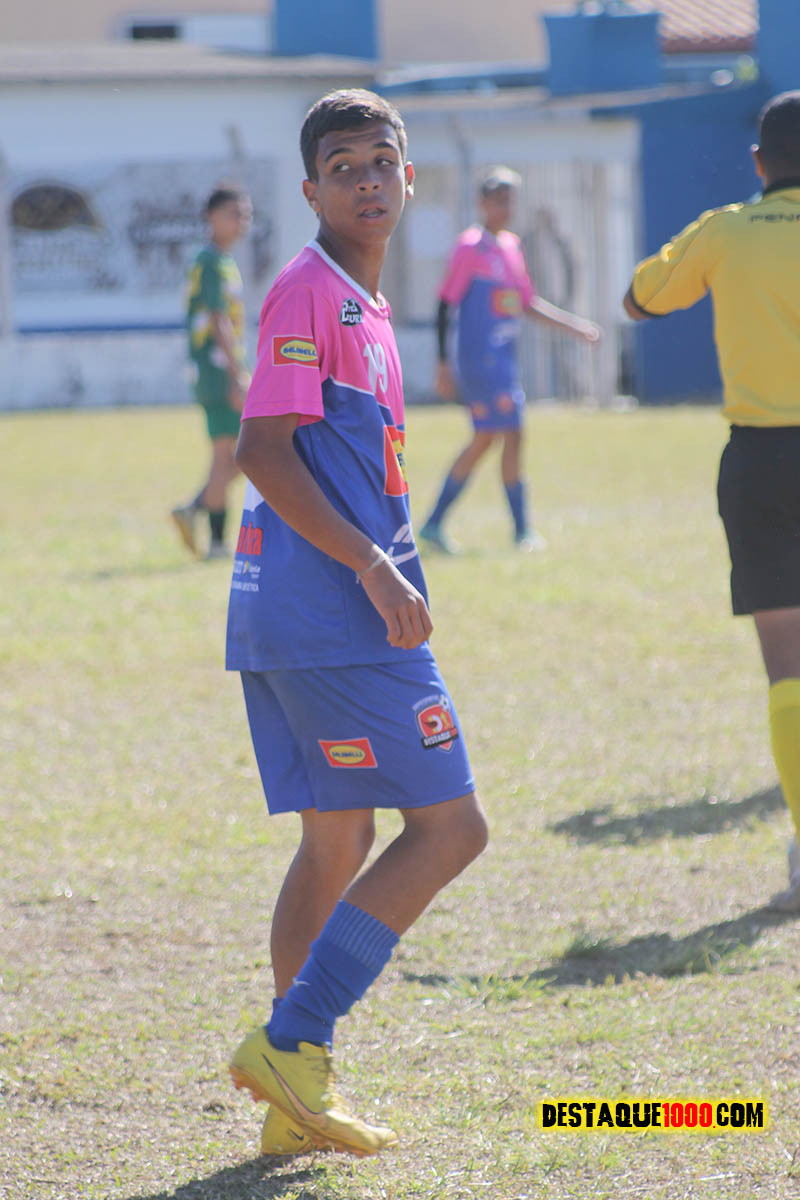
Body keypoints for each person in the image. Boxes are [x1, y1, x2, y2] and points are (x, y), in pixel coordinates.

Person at [225, 89, 488, 1158]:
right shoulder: (309, 291)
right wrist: (377, 570)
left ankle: (293, 1101)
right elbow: (262, 449)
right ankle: (294, 1041)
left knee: (337, 838)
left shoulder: (365, 305)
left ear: (409, 177)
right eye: (343, 167)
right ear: (311, 191)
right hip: (333, 614)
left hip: (303, 614)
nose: (367, 180)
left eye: (382, 161)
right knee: (452, 828)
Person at [623, 90, 800, 913]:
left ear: (759, 163)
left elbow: (642, 298)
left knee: (787, 661)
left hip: (761, 459)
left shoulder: (726, 229)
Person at [419, 167, 600, 554]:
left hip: (503, 358)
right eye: (498, 200)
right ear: (482, 203)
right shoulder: (470, 247)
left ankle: (437, 524)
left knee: (489, 438)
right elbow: (444, 304)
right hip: (480, 361)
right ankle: (520, 532)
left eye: (510, 200)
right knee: (510, 432)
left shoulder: (511, 247)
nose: (505, 208)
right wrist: (442, 364)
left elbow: (527, 303)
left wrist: (575, 327)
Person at [171, 184, 252, 559]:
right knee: (229, 456)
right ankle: (217, 542)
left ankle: (194, 509)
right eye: (234, 213)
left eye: (246, 214)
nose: (242, 221)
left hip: (222, 369)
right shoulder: (209, 262)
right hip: (217, 371)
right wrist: (236, 375)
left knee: (239, 456)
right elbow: (218, 320)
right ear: (211, 217)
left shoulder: (222, 261)